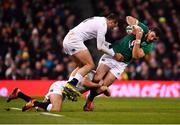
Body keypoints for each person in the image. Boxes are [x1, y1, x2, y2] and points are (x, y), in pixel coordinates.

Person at [83, 16, 161, 111]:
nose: (152, 39)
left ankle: (89, 100)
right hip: (113, 54)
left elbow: (136, 56)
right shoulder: (143, 28)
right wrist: (136, 27)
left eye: (155, 39)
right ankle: (91, 93)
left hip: (121, 64)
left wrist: (138, 39)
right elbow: (128, 18)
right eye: (152, 36)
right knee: (97, 78)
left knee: (103, 87)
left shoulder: (149, 46)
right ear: (149, 31)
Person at [62, 13, 123, 98]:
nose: (113, 28)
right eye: (114, 26)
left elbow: (103, 42)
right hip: (74, 40)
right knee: (90, 65)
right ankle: (72, 84)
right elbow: (100, 47)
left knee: (81, 65)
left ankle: (68, 86)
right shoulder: (103, 25)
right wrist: (114, 54)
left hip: (67, 39)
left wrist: (112, 46)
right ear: (112, 21)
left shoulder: (99, 20)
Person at [7, 71, 109, 112]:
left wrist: (103, 86)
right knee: (55, 109)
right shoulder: (91, 73)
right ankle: (34, 103)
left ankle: (19, 94)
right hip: (60, 87)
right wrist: (99, 85)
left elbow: (107, 92)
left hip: (63, 93)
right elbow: (85, 83)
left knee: (41, 109)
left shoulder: (99, 81)